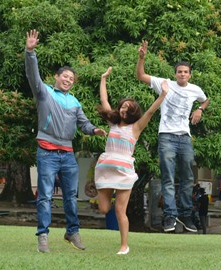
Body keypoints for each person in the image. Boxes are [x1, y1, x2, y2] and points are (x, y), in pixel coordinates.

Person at [25, 30, 107, 253]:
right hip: (47, 152)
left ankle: (72, 231)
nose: (68, 80)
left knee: (71, 197)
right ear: (56, 77)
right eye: (65, 77)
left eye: (71, 79)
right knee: (45, 196)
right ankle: (43, 235)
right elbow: (33, 76)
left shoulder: (74, 102)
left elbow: (84, 123)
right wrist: (30, 52)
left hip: (67, 155)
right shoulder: (45, 93)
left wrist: (94, 130)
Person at [136, 40, 210, 233]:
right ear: (175, 73)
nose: (182, 74)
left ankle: (186, 215)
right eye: (179, 72)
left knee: (187, 178)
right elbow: (140, 75)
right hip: (167, 137)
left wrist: (200, 109)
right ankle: (170, 217)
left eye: (185, 72)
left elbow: (206, 99)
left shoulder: (195, 89)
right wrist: (141, 58)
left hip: (184, 138)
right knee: (168, 178)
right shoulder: (164, 84)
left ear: (189, 74)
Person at [93, 67, 167, 254]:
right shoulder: (113, 123)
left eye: (128, 107)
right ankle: (108, 196)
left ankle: (124, 245)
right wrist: (103, 79)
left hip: (124, 171)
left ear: (133, 111)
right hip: (106, 169)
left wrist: (163, 95)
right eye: (122, 106)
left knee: (120, 210)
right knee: (103, 209)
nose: (124, 109)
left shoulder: (136, 127)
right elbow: (104, 100)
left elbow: (150, 112)